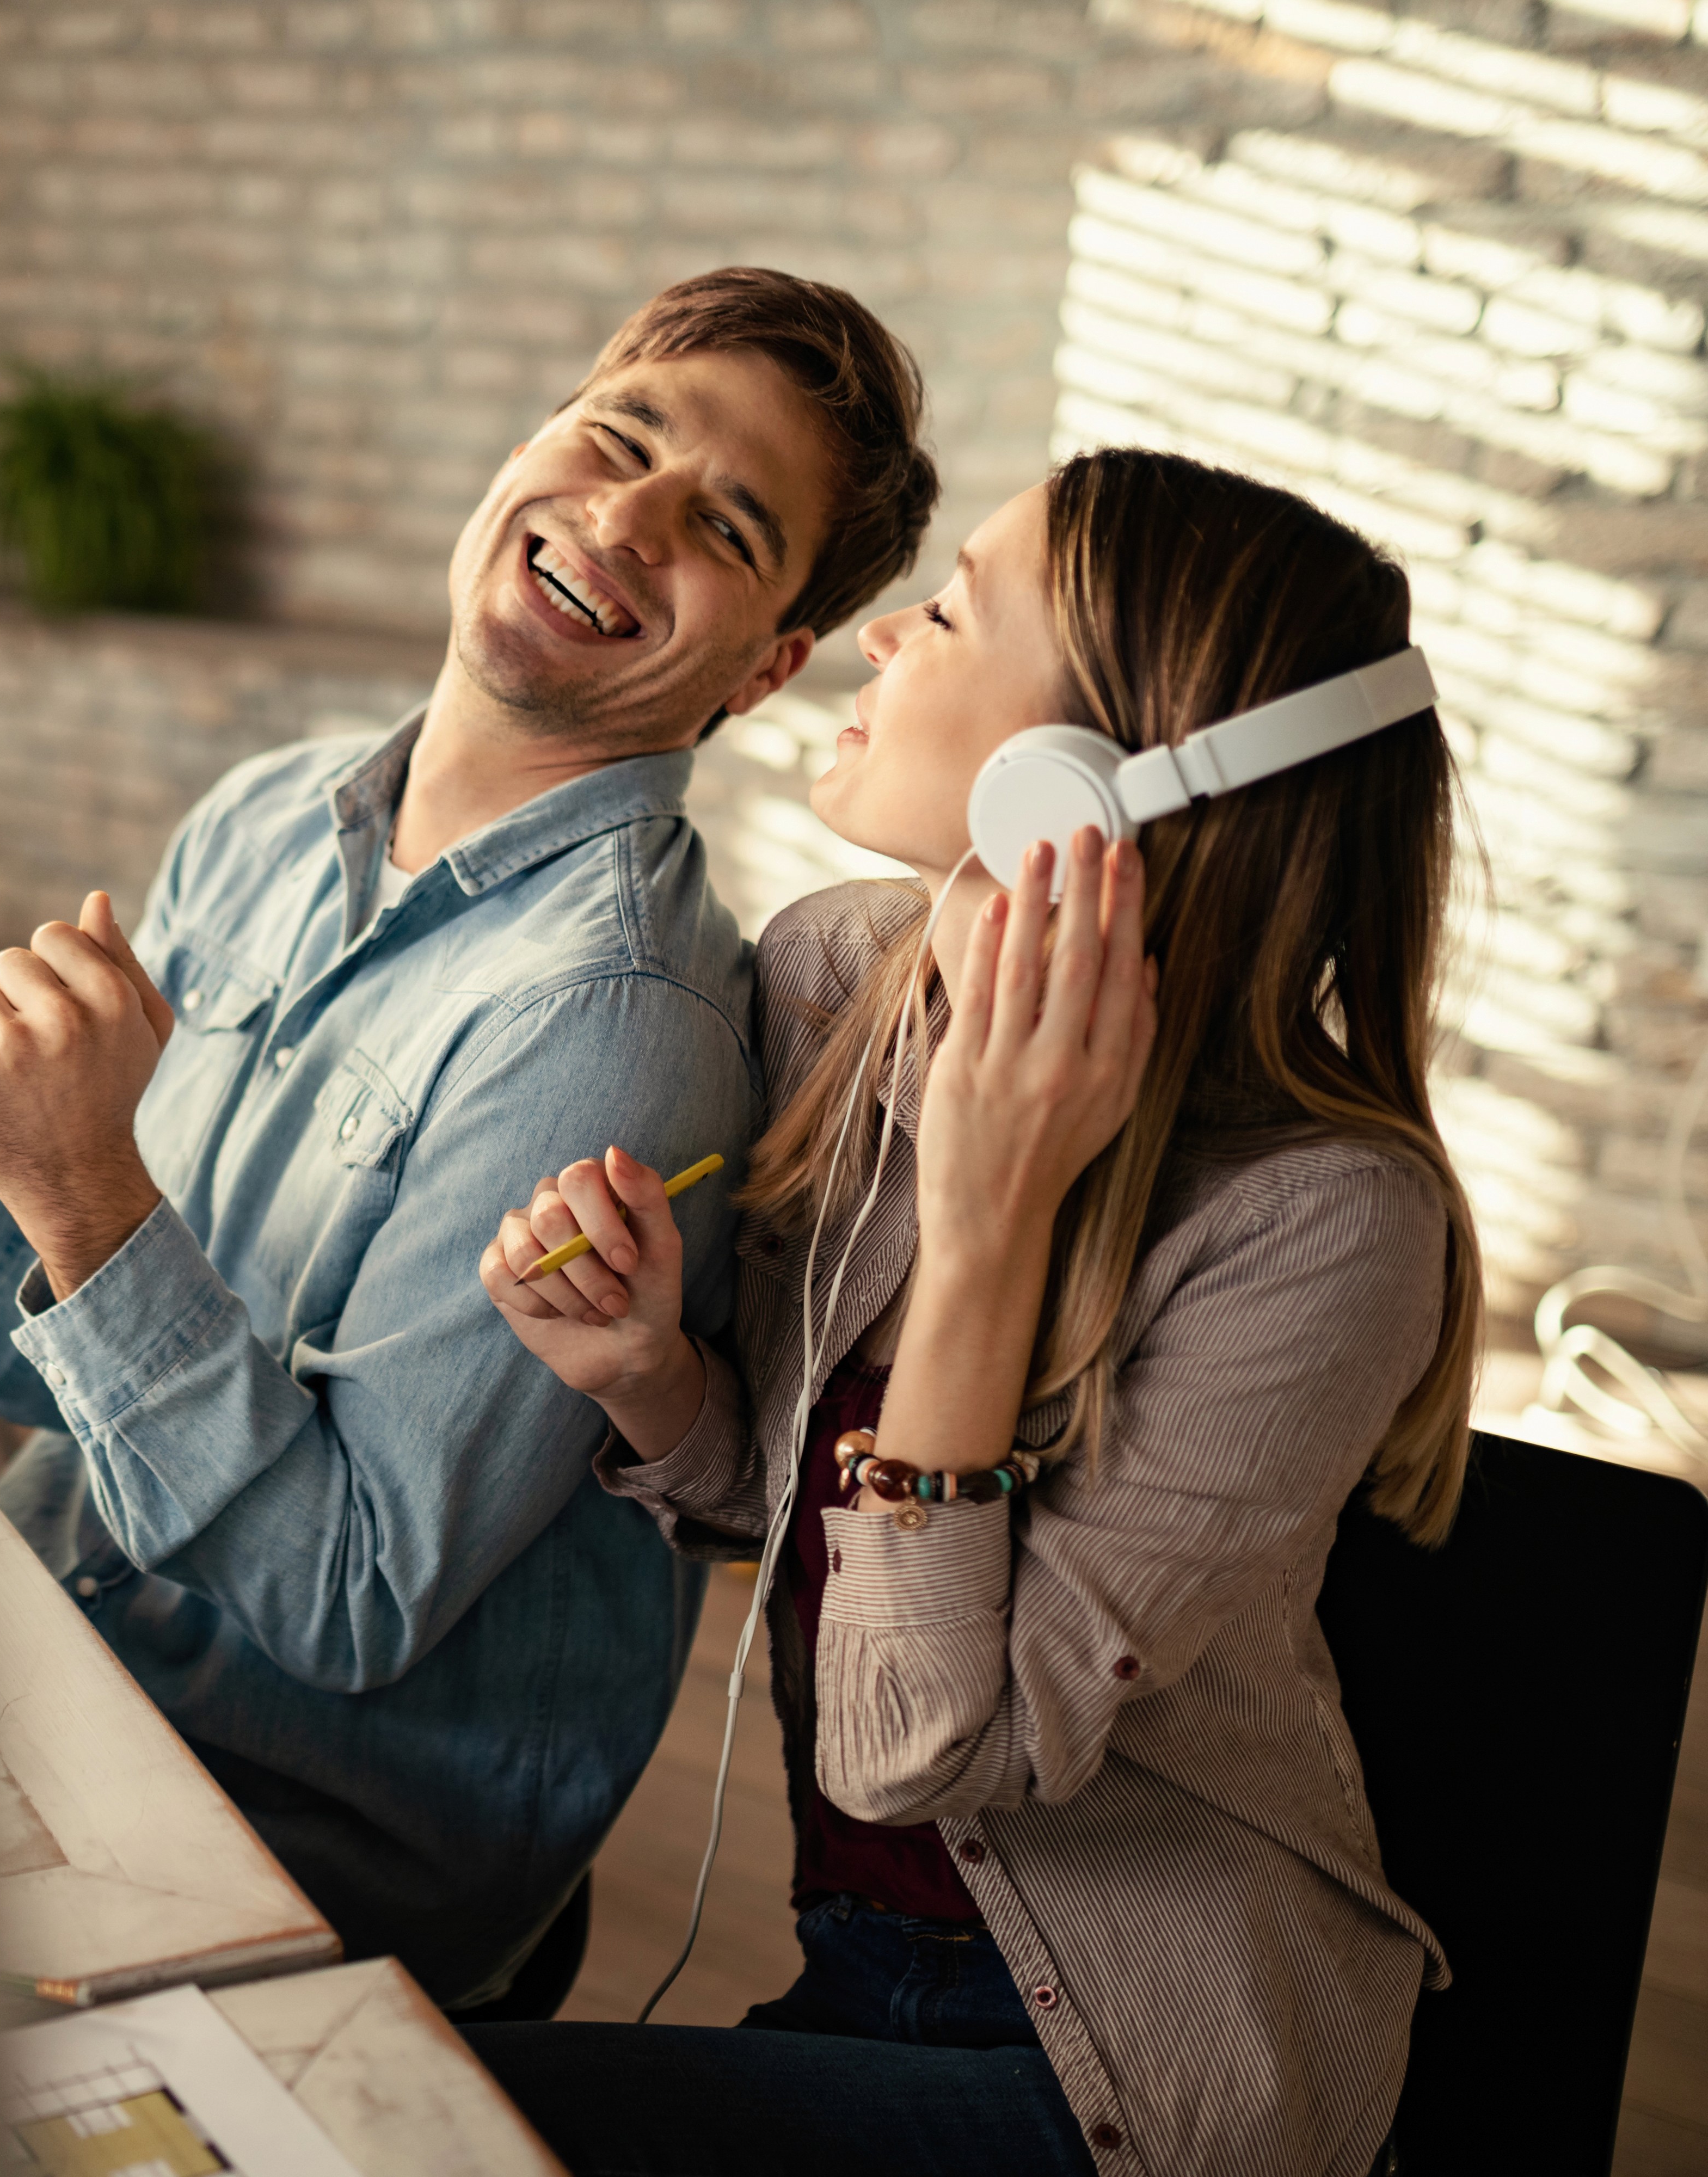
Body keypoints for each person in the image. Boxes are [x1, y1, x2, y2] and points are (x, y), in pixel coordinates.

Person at [0, 269, 942, 2009]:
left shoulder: (608, 1024)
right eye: (617, 437)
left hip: (283, 1843)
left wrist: (86, 1191)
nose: (622, 517)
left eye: (723, 525)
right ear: (531, 441)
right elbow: (70, 1391)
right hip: (48, 1663)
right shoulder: (265, 819)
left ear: (768, 669)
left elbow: (344, 1599)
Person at [463, 447, 1482, 2175]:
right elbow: (791, 1510)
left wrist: (991, 1220)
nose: (869, 637)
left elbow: (906, 1745)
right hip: (861, 1977)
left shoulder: (1325, 1225)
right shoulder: (839, 986)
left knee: (408, 2115)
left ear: (1077, 788)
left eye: (944, 613)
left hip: (1148, 2083)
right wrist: (654, 1382)